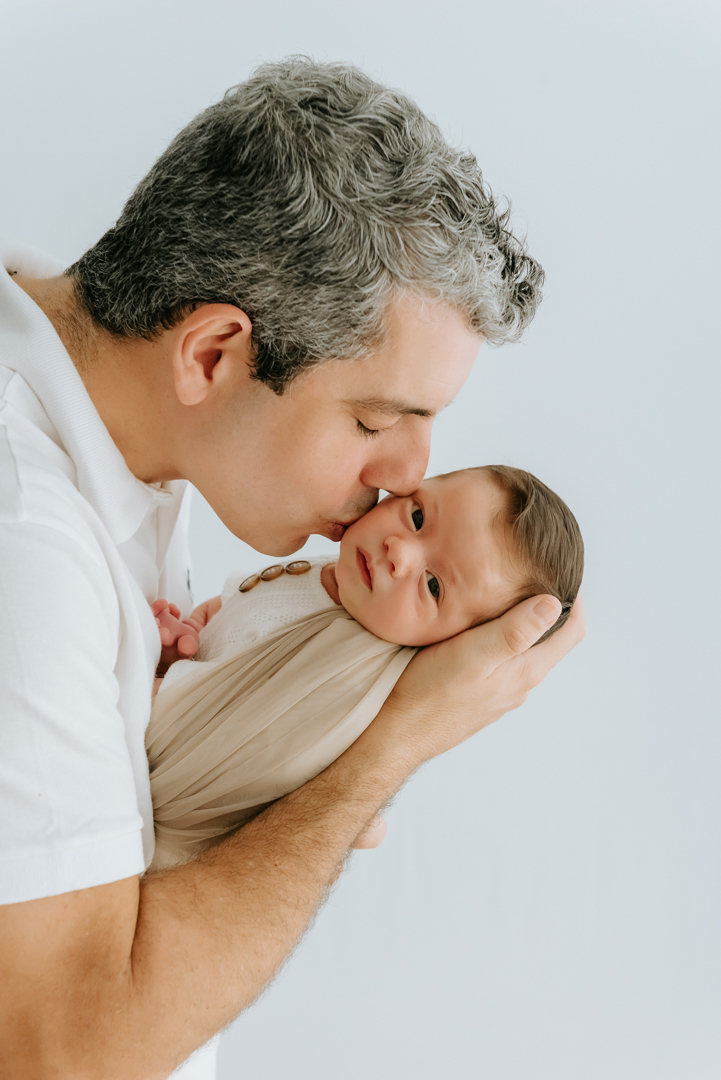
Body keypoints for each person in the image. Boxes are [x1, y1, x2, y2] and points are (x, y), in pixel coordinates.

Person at [0, 58, 585, 1079]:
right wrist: (386, 751)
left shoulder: (123, 438)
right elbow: (66, 1055)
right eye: (374, 420)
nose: (407, 475)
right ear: (213, 355)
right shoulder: (29, 549)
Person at [147, 465, 583, 871]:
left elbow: (214, 740)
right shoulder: (344, 579)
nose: (400, 551)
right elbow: (246, 606)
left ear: (452, 646)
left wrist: (155, 682)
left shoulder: (343, 674)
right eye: (417, 516)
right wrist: (195, 635)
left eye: (433, 586)